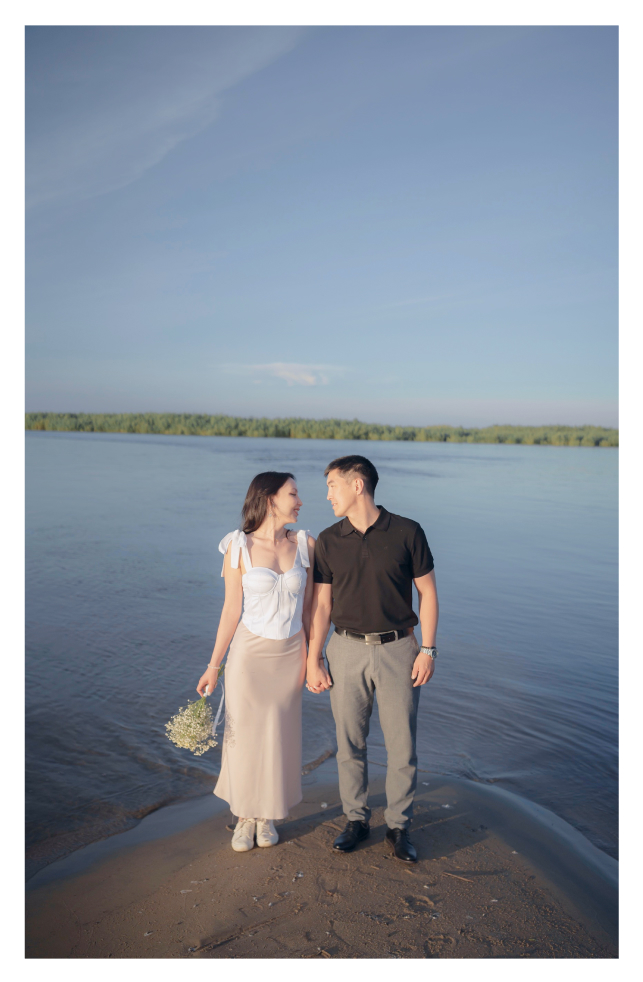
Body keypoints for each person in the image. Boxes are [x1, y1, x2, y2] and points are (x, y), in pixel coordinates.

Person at [306, 455, 439, 863]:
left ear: (357, 485)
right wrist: (313, 658)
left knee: (402, 746)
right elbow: (322, 605)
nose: (327, 495)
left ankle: (399, 826)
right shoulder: (328, 540)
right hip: (345, 650)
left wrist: (428, 649)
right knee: (349, 743)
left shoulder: (407, 532)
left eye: (332, 485)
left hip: (400, 650)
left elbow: (428, 593)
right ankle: (356, 820)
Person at [196, 472, 315, 852]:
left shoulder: (305, 545)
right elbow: (231, 609)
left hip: (291, 655)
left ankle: (268, 816)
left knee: (278, 736)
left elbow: (311, 610)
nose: (300, 501)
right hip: (248, 656)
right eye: (293, 493)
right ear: (269, 499)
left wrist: (316, 658)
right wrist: (214, 665)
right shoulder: (238, 545)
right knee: (244, 738)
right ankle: (245, 815)